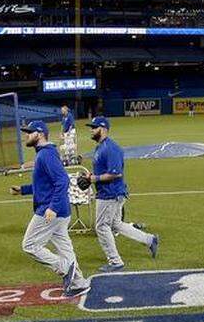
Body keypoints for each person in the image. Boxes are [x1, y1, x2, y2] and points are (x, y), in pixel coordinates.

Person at [9, 120, 89, 297]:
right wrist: (23, 190)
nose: (27, 136)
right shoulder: (44, 154)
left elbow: (62, 181)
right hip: (60, 211)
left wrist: (52, 207)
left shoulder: (46, 155)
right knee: (65, 248)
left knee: (29, 245)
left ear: (40, 134)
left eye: (30, 133)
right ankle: (79, 283)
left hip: (50, 210)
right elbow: (44, 184)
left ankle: (64, 268)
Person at [87, 116, 159, 271]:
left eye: (94, 127)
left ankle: (115, 261)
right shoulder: (100, 147)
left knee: (102, 226)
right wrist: (90, 177)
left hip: (110, 194)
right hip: (109, 192)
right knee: (116, 224)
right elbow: (102, 170)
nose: (91, 130)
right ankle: (150, 239)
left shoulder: (111, 148)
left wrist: (94, 179)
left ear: (104, 129)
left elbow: (116, 173)